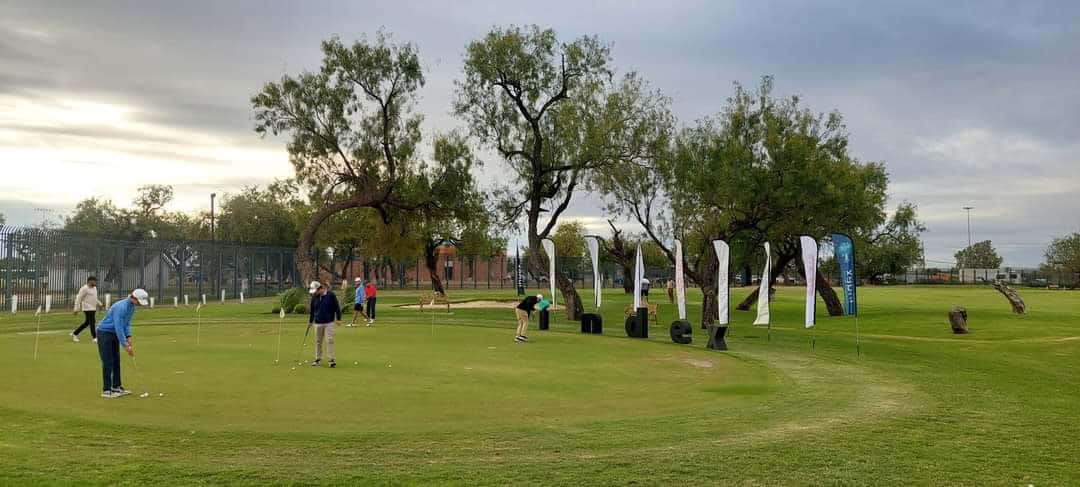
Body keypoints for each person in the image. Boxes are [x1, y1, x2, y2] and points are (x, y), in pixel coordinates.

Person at [95, 289, 148, 398]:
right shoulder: (121, 307)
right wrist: (126, 345)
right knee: (108, 361)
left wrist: (128, 337)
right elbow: (118, 327)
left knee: (116, 360)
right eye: (139, 301)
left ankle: (116, 387)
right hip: (104, 333)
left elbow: (127, 323)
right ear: (133, 298)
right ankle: (106, 390)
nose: (139, 304)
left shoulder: (132, 307)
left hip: (114, 333)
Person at [308, 280, 341, 368]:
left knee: (329, 340)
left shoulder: (331, 295)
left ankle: (331, 360)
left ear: (320, 289)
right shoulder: (314, 297)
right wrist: (310, 321)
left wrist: (338, 318)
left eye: (316, 291)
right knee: (318, 341)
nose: (314, 293)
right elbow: (312, 310)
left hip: (329, 322)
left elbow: (337, 307)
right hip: (318, 322)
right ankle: (318, 359)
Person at [71, 276, 103, 343]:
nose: (95, 282)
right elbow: (78, 299)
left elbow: (95, 298)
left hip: (93, 308)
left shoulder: (95, 288)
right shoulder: (84, 288)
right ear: (90, 281)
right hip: (87, 308)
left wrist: (99, 303)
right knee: (92, 322)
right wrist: (76, 309)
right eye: (94, 281)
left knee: (87, 323)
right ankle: (94, 338)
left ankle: (75, 333)